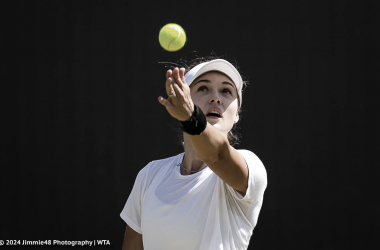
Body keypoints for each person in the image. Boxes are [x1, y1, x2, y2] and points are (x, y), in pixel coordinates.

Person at [121, 57, 267, 250]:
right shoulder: (149, 175)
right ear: (182, 98)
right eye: (203, 88)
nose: (216, 98)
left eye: (226, 91)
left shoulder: (252, 166)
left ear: (237, 113)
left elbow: (218, 155)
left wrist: (191, 118)